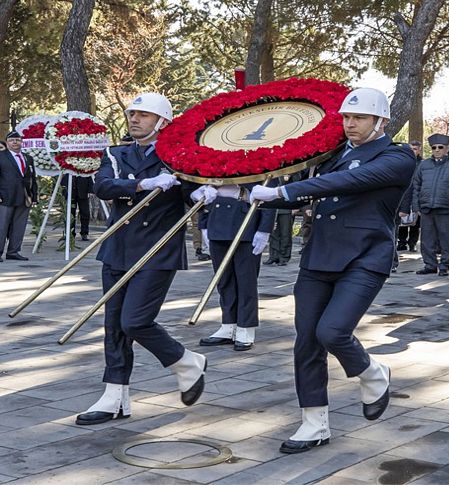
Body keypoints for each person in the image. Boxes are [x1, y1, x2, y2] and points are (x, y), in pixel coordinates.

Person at [249, 87, 416, 454]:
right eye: (346, 117)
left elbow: (346, 183)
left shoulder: (397, 156)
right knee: (306, 341)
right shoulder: (333, 154)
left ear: (381, 122)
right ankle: (314, 423)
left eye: (359, 118)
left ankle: (372, 373)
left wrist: (282, 194)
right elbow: (309, 191)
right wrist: (237, 191)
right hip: (319, 256)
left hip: (364, 257)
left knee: (333, 331)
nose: (350, 124)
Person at [75, 93, 207, 426]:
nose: (135, 119)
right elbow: (103, 186)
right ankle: (114, 396)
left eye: (144, 115)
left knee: (134, 321)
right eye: (133, 113)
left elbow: (193, 188)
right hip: (119, 247)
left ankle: (186, 362)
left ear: (162, 122)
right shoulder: (115, 153)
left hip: (158, 249)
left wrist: (204, 193)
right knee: (114, 326)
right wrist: (143, 184)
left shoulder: (177, 157)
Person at [191, 183, 274, 351]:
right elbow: (206, 194)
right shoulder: (214, 159)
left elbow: (268, 192)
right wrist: (204, 224)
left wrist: (264, 229)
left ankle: (245, 328)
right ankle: (228, 324)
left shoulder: (254, 156)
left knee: (246, 281)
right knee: (224, 280)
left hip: (246, 224)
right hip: (217, 222)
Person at [411, 133, 449, 276]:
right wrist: (416, 207)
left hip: (448, 207)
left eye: (440, 147)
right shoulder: (424, 164)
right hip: (427, 207)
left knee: (447, 239)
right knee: (427, 239)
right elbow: (416, 186)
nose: (437, 150)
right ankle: (430, 265)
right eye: (434, 147)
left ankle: (444, 266)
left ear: (447, 148)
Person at [0, 130, 37, 262]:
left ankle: (13, 251)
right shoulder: (1, 156)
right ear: (7, 143)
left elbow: (32, 177)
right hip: (5, 197)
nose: (15, 142)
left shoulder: (28, 158)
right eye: (11, 140)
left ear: (21, 142)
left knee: (19, 226)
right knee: (2, 225)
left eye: (17, 140)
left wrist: (34, 196)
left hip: (24, 197)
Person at [60, 175, 94, 241]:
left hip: (83, 191)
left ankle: (84, 233)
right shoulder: (66, 165)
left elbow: (88, 175)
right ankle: (70, 233)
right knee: (70, 214)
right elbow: (64, 177)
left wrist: (90, 190)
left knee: (85, 213)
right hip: (70, 192)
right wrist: (63, 191)